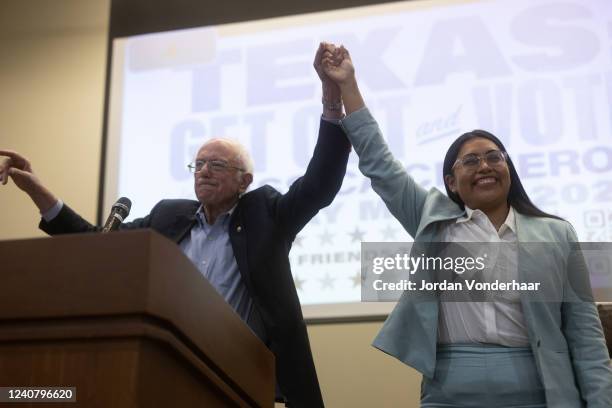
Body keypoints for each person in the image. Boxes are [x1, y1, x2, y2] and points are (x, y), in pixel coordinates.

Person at [0, 43, 351, 408]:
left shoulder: (264, 213)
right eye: (198, 164)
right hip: (164, 368)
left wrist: (331, 102)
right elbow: (97, 245)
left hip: (238, 376)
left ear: (244, 181)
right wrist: (37, 191)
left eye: (217, 165)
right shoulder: (168, 216)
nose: (203, 172)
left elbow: (319, 185)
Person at [319, 44, 612, 407]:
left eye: (494, 157)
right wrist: (348, 86)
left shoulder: (557, 234)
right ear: (452, 182)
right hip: (450, 391)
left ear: (509, 170)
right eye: (470, 161)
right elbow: (380, 163)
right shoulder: (433, 220)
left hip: (541, 391)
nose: (485, 166)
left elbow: (585, 335)